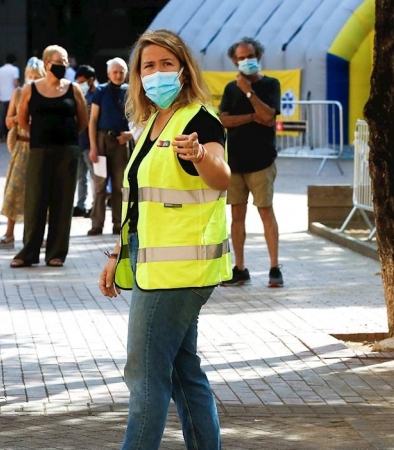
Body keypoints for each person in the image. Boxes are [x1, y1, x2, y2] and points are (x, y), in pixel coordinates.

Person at [99, 29, 232, 449]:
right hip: (152, 264)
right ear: (137, 75)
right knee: (181, 372)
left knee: (143, 376)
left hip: (180, 272)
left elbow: (221, 177)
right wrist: (119, 252)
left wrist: (200, 156)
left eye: (166, 64)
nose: (157, 72)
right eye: (148, 65)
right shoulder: (154, 122)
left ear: (183, 69)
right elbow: (140, 202)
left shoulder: (198, 119)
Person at [10, 45, 88, 268]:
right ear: (46, 64)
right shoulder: (30, 89)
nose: (62, 65)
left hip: (67, 151)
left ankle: (56, 253)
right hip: (39, 150)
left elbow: (82, 120)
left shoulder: (73, 89)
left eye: (65, 62)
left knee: (63, 202)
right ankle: (28, 253)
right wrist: (39, 133)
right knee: (35, 200)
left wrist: (67, 135)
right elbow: (22, 119)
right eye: (58, 62)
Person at [219, 37, 283, 288]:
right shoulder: (229, 89)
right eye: (241, 57)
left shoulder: (270, 84)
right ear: (235, 60)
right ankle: (240, 267)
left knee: (266, 211)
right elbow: (224, 119)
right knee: (237, 214)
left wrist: (248, 91)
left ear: (259, 56)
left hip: (262, 162)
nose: (246, 61)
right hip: (234, 162)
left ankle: (274, 267)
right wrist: (250, 117)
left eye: (250, 56)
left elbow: (268, 116)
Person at [0, 57, 47, 249]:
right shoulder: (18, 93)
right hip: (22, 147)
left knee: (41, 191)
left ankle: (39, 235)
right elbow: (8, 121)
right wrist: (19, 117)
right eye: (30, 76)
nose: (32, 79)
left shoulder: (45, 93)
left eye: (36, 76)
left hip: (40, 146)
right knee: (14, 189)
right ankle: (9, 234)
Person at [88, 57, 131, 236]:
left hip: (122, 142)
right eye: (115, 71)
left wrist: (129, 135)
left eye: (121, 72)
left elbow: (137, 118)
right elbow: (93, 120)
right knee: (100, 185)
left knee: (120, 185)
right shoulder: (100, 91)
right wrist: (93, 147)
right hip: (102, 140)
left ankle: (118, 223)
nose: (118, 75)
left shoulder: (130, 92)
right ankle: (97, 223)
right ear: (108, 73)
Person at [73, 64, 99, 218]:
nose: (80, 85)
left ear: (91, 80)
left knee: (96, 178)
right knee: (81, 176)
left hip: (92, 144)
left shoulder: (98, 94)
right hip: (80, 142)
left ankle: (96, 205)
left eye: (82, 81)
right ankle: (81, 204)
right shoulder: (82, 95)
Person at [0, 53, 20, 140]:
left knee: (1, 118)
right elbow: (15, 83)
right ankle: (11, 136)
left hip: (2, 97)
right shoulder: (15, 69)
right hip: (12, 97)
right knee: (12, 117)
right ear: (14, 61)